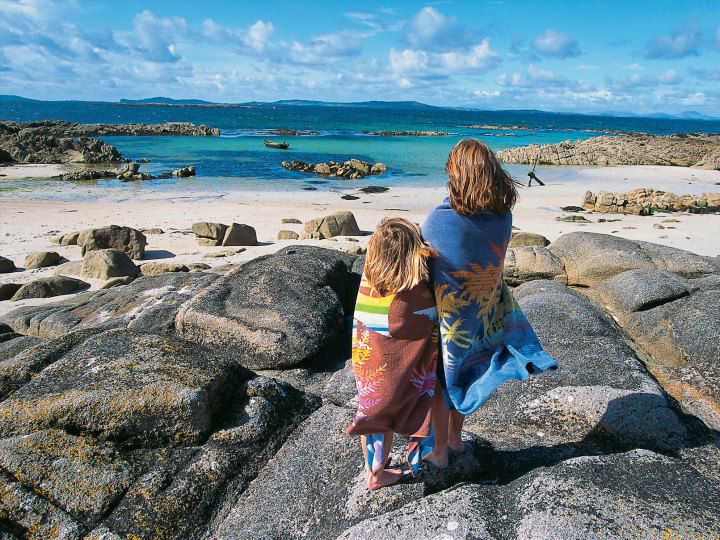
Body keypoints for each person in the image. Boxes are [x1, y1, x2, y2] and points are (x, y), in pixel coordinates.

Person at [421, 139, 558, 469]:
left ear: (458, 175)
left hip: (449, 315)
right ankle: (455, 439)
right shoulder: (502, 216)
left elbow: (427, 262)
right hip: (483, 310)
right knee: (467, 370)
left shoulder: (443, 218)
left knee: (441, 379)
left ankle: (439, 452)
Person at [346, 217, 439, 489]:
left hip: (368, 362)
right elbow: (426, 319)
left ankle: (373, 468)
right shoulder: (414, 292)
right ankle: (376, 474)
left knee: (372, 416)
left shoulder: (370, 279)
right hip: (393, 370)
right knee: (385, 418)